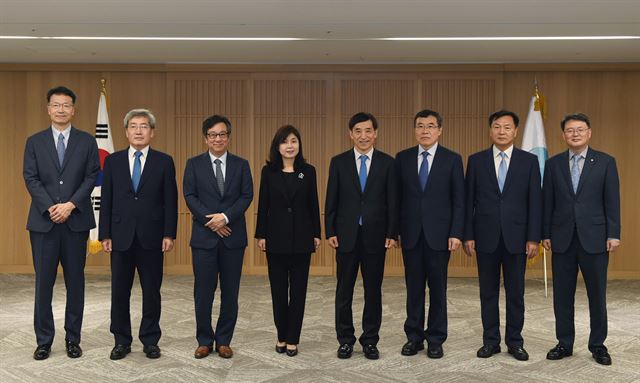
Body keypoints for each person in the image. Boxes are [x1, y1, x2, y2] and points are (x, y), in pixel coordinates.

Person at [23, 86, 99, 360]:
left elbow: (91, 177)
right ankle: (44, 341)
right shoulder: (34, 141)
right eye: (56, 105)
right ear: (48, 109)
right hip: (44, 224)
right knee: (44, 284)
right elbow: (30, 177)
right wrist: (51, 207)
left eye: (66, 105)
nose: (61, 109)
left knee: (75, 283)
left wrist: (70, 205)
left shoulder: (87, 141)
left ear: (73, 110)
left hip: (75, 222)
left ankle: (72, 339)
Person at [99, 109, 178, 360]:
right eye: (133, 126)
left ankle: (150, 339)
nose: (138, 131)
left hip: (152, 236)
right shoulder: (112, 161)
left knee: (151, 291)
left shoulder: (164, 161)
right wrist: (105, 234)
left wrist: (169, 233)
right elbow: (107, 199)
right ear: (126, 132)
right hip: (120, 235)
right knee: (119, 291)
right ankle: (121, 340)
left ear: (152, 132)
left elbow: (170, 201)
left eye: (144, 126)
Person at [463, 110, 541, 361]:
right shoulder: (476, 160)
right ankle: (491, 341)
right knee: (488, 292)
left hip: (518, 238)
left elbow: (535, 203)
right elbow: (468, 202)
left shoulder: (529, 162)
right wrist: (468, 235)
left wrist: (533, 238)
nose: (502, 131)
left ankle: (515, 342)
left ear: (515, 131)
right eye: (497, 126)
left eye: (507, 127)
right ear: (490, 130)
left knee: (516, 293)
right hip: (485, 236)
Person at [542, 113, 620, 366]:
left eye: (580, 130)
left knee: (597, 295)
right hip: (562, 239)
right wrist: (545, 233)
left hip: (595, 239)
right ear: (563, 135)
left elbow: (612, 201)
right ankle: (564, 342)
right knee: (562, 296)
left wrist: (613, 233)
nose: (574, 134)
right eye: (569, 130)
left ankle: (598, 345)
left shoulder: (606, 162)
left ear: (589, 133)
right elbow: (548, 203)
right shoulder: (553, 164)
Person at [325, 112, 398, 360]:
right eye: (358, 131)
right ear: (351, 134)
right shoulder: (339, 162)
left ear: (375, 133)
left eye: (368, 131)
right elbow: (331, 199)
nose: (363, 136)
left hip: (376, 237)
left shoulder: (388, 163)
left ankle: (370, 340)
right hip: (345, 236)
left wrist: (391, 233)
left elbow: (392, 203)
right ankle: (345, 340)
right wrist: (330, 230)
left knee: (373, 291)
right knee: (343, 291)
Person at [395, 109, 464, 359]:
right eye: (420, 126)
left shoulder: (452, 159)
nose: (425, 130)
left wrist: (457, 232)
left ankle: (436, 338)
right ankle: (414, 337)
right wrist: (395, 231)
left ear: (440, 130)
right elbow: (396, 199)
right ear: (414, 130)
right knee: (413, 288)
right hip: (411, 235)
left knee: (438, 288)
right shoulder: (402, 159)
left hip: (440, 235)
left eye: (431, 126)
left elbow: (459, 200)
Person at [183, 115, 253, 359]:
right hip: (204, 238)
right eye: (213, 134)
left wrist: (225, 217)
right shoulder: (193, 164)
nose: (218, 139)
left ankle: (223, 340)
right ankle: (204, 340)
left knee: (230, 292)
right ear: (206, 138)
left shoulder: (241, 164)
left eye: (222, 134)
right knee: (203, 292)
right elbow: (190, 195)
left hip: (233, 237)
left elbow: (247, 196)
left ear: (228, 137)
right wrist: (212, 222)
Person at [255, 125, 321, 357]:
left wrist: (317, 233)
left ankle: (293, 338)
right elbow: (263, 205)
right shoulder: (268, 171)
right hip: (276, 239)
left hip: (303, 239)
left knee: (299, 292)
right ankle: (281, 335)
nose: (290, 145)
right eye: (285, 142)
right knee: (279, 292)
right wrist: (260, 234)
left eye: (294, 141)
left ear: (299, 145)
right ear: (277, 146)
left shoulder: (308, 171)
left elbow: (314, 204)